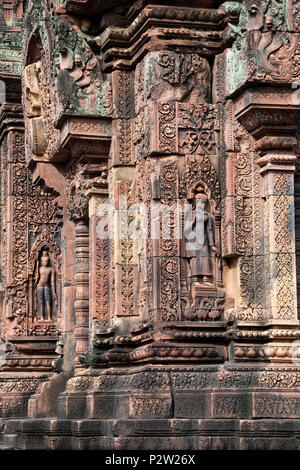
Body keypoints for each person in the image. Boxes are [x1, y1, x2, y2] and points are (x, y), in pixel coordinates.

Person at [185, 192, 217, 307]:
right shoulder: (191, 214)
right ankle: (195, 279)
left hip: (204, 241)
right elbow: (187, 228)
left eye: (203, 202)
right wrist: (193, 220)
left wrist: (212, 244)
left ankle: (206, 279)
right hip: (193, 241)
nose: (200, 204)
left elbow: (209, 230)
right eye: (198, 202)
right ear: (195, 203)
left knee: (205, 259)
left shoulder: (206, 216)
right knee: (195, 260)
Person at [35, 251, 57, 320]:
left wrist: (54, 292)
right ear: (42, 260)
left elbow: (52, 282)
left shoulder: (51, 269)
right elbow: (36, 279)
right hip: (39, 286)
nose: (46, 262)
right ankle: (41, 317)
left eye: (47, 260)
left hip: (47, 286)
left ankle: (49, 317)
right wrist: (36, 277)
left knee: (48, 301)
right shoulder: (39, 269)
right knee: (41, 301)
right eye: (44, 260)